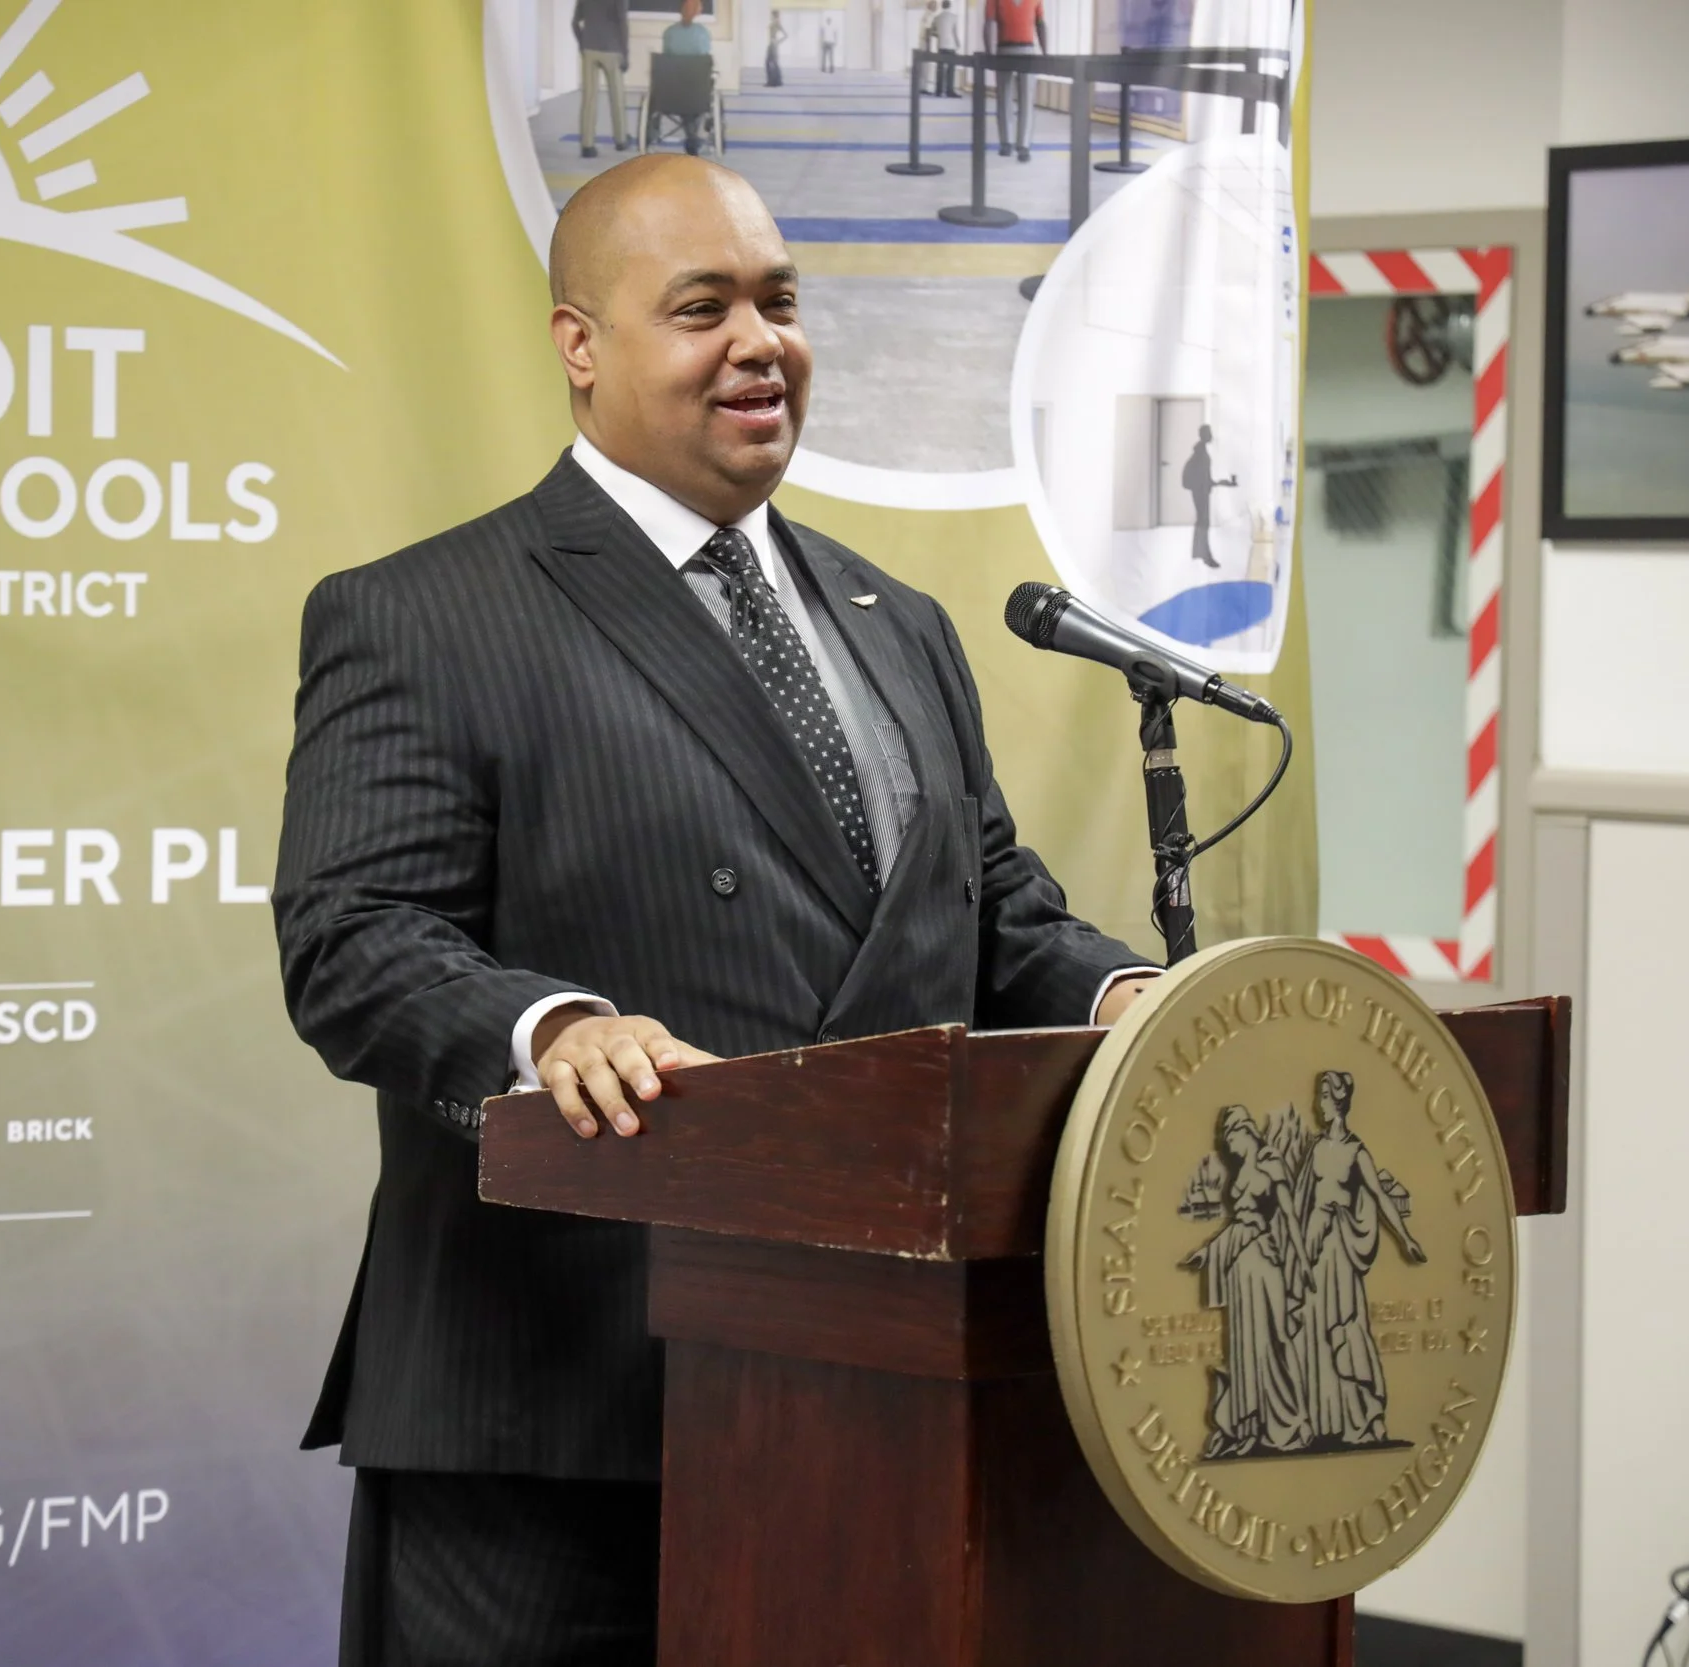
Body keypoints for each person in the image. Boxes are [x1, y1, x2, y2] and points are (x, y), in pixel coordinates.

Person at [274, 154, 1162, 1665]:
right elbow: (352, 934)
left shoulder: (903, 623)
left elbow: (988, 898)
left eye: (780, 302)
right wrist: (546, 1022)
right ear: (580, 345)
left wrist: (1120, 994)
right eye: (702, 309)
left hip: (868, 1391)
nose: (761, 343)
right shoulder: (425, 612)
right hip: (556, 1409)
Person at [1296, 1070, 1425, 1449]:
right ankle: (1324, 1421)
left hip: (1338, 1248)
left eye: (1321, 1097)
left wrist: (1405, 1238)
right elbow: (1300, 1198)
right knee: (1313, 1327)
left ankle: (1360, 1414)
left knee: (1343, 1323)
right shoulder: (1316, 1148)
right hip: (1314, 1247)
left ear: (1335, 1101)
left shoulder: (1356, 1151)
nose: (1316, 1104)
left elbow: (1381, 1197)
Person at [1180, 1105, 1309, 1459]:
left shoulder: (1271, 1163)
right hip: (1240, 1267)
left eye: (1230, 1139)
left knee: (1276, 1339)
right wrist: (1207, 1254)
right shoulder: (1242, 1171)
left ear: (1245, 1132)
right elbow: (1237, 1226)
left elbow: (1289, 1216)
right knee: (1244, 1345)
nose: (1227, 1149)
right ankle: (1251, 1425)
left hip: (1265, 1262)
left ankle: (1290, 1421)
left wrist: (1301, 1261)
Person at [985, 0, 1046, 159]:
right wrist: (989, 52)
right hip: (1004, 49)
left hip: (1027, 49)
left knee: (1027, 98)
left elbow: (1040, 23)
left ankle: (1023, 144)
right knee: (1004, 97)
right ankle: (1006, 142)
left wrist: (1046, 53)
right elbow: (989, 22)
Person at [572, 0, 631, 159]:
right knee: (616, 97)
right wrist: (626, 54)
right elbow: (622, 23)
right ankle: (620, 140)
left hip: (589, 49)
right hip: (611, 49)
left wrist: (582, 44)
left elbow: (575, 23)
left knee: (589, 99)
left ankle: (587, 145)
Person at [660, 0, 714, 156]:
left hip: (672, 93)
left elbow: (666, 60)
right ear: (698, 11)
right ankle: (692, 136)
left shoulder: (669, 33)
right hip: (696, 94)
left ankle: (691, 134)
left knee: (685, 92)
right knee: (696, 95)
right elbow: (704, 62)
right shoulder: (703, 33)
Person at [1182, 423, 1238, 568]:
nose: (1211, 435)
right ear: (1203, 435)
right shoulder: (1200, 452)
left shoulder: (1201, 451)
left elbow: (1204, 477)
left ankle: (1199, 553)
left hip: (1202, 491)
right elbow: (1201, 476)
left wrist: (1219, 483)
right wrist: (1213, 483)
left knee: (1202, 522)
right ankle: (1205, 556)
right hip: (1200, 492)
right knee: (1203, 522)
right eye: (1209, 432)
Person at [766, 10, 786, 85]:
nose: (770, 17)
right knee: (770, 63)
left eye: (772, 15)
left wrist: (778, 42)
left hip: (774, 45)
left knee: (773, 63)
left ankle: (775, 81)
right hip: (771, 44)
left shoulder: (777, 24)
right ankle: (773, 81)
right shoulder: (773, 23)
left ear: (775, 16)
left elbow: (786, 35)